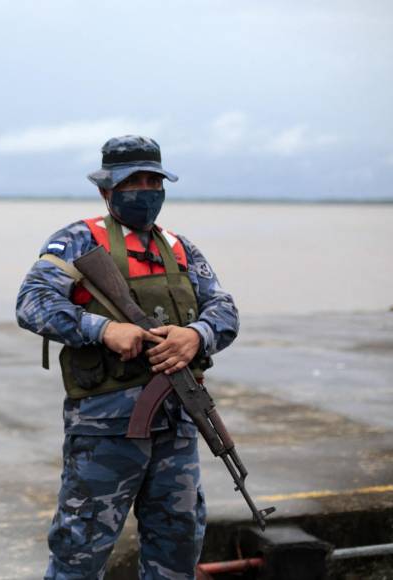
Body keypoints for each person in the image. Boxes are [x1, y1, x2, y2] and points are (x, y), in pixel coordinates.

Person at [15, 135, 239, 579]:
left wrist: (196, 336)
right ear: (106, 190)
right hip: (105, 428)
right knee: (80, 548)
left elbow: (224, 309)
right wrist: (103, 329)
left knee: (178, 541)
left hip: (177, 424)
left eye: (153, 180)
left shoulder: (179, 248)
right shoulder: (78, 240)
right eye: (133, 180)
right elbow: (31, 302)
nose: (146, 189)